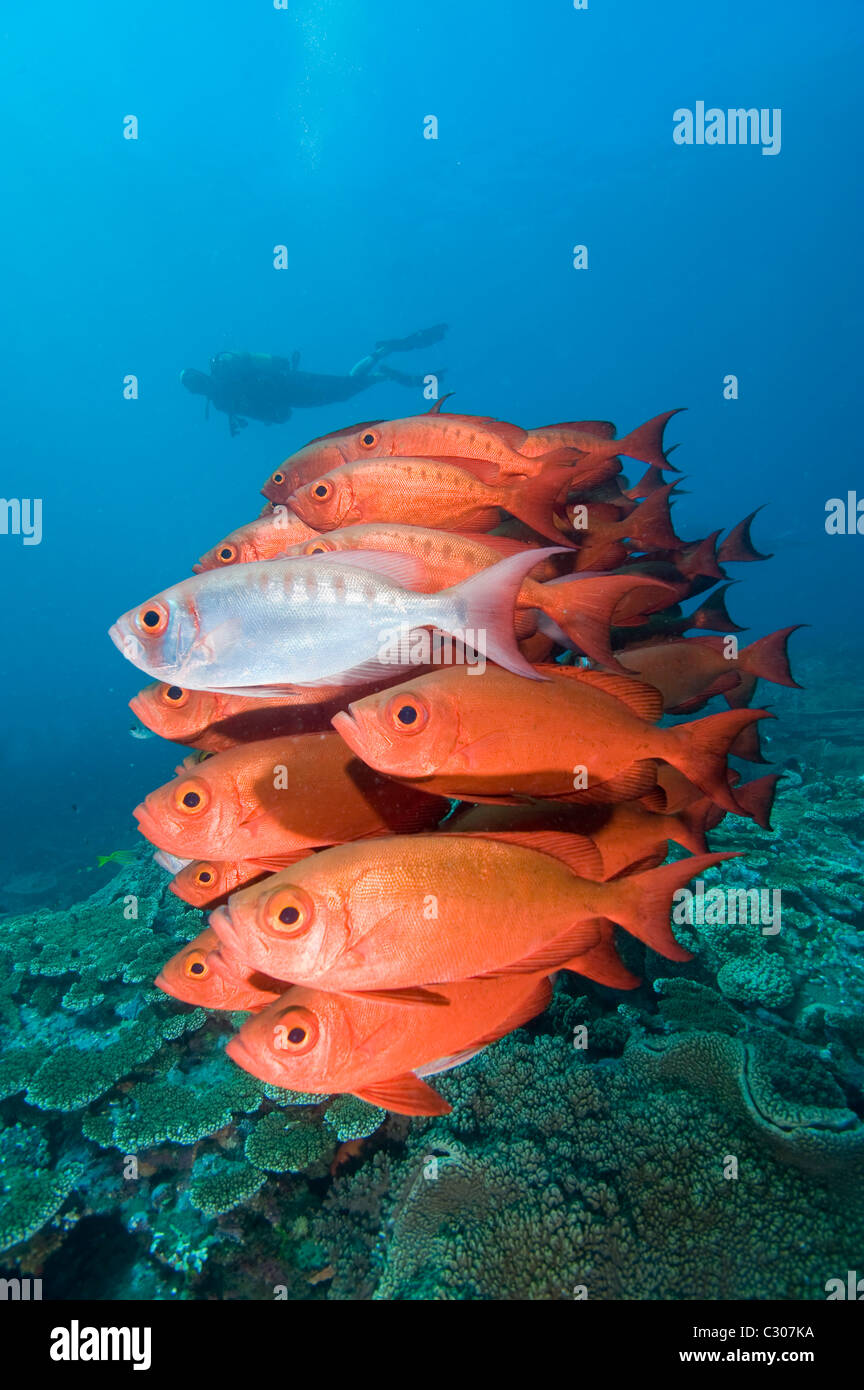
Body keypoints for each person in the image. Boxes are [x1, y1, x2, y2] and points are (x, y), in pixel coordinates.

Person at [181, 324, 448, 436]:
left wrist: (277, 410)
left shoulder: (220, 399)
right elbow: (271, 365)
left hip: (290, 391)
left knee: (343, 390)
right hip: (289, 383)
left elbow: (263, 411)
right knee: (343, 388)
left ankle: (383, 369)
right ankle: (381, 358)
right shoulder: (223, 379)